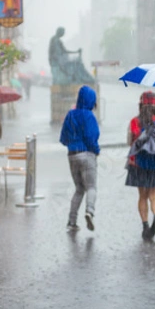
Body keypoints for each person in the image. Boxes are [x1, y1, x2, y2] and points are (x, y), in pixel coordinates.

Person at [59, 85, 100, 232]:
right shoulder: (89, 116)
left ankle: (72, 221)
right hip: (87, 154)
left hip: (72, 155)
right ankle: (89, 211)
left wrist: (72, 144)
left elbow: (63, 138)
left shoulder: (70, 115)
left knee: (78, 189)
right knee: (91, 187)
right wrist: (96, 150)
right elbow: (91, 137)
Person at [126, 91, 155, 240]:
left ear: (141, 104)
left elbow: (130, 141)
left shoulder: (135, 121)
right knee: (154, 196)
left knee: (142, 195)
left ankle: (145, 225)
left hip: (138, 162)